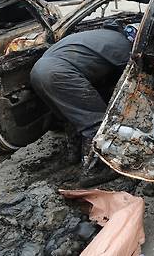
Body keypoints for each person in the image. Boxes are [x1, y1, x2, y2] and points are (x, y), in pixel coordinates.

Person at [30, 24, 134, 184]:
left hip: (38, 71)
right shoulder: (123, 45)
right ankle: (93, 170)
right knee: (94, 121)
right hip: (60, 74)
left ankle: (73, 155)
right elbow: (134, 74)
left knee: (71, 116)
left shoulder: (99, 34)